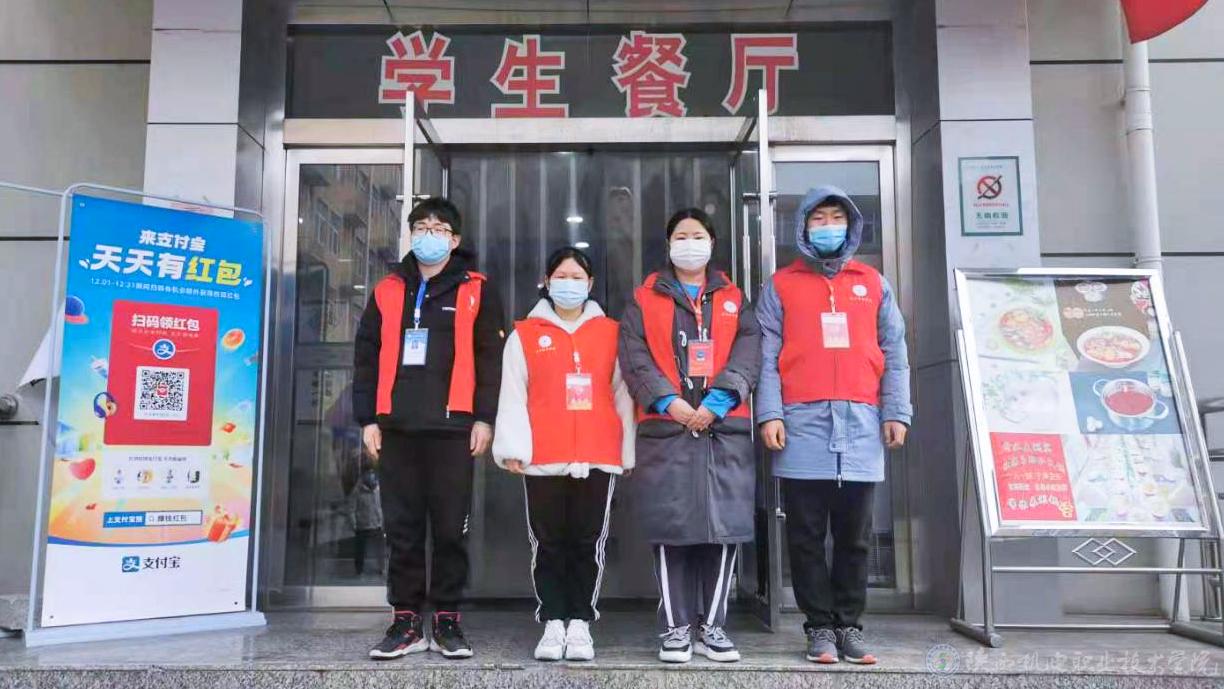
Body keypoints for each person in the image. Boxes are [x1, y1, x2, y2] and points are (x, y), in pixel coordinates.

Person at [755, 186, 912, 666]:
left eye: (836, 218)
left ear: (852, 226)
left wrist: (896, 412)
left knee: (855, 536)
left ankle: (849, 625)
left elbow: (895, 351)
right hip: (801, 424)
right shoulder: (781, 285)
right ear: (803, 226)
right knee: (804, 535)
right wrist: (770, 413)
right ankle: (818, 627)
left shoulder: (873, 282)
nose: (828, 226)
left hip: (862, 424)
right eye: (818, 218)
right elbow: (766, 355)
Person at [353, 197, 506, 660]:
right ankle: (405, 621)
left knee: (449, 531)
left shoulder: (477, 290)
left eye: (439, 228)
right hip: (396, 427)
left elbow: (490, 359)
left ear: (454, 240)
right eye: (421, 227)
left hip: (453, 428)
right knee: (401, 530)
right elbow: (365, 355)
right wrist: (368, 418)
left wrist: (484, 417)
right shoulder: (388, 289)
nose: (429, 235)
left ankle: (446, 620)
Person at [618, 208, 761, 664]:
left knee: (722, 531)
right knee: (671, 531)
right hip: (667, 429)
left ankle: (713, 626)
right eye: (681, 236)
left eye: (698, 235)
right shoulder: (644, 299)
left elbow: (749, 351)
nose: (689, 243)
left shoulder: (735, 298)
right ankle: (676, 628)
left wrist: (717, 401)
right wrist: (668, 402)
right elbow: (634, 357)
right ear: (669, 245)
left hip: (724, 429)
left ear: (712, 244)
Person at [492, 246, 635, 662]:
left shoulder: (611, 332)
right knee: (548, 542)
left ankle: (581, 623)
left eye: (577, 278)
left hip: (596, 452)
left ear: (590, 284)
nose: (568, 284)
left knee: (588, 542)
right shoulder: (524, 334)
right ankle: (553, 620)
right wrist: (513, 446)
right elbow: (513, 394)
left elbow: (623, 394)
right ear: (546, 281)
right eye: (561, 277)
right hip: (543, 455)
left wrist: (626, 451)